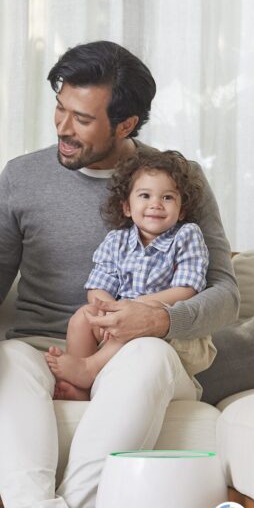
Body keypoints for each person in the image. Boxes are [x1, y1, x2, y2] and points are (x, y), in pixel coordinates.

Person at [0, 40, 239, 508]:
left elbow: (226, 295)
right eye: (60, 109)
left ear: (126, 124)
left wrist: (158, 320)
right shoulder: (22, 177)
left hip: (147, 351)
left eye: (82, 119)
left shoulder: (176, 180)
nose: (62, 128)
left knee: (145, 355)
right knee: (5, 357)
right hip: (48, 346)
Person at [45, 149, 209, 399]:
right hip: (119, 315)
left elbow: (187, 289)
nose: (156, 204)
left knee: (135, 321)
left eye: (167, 197)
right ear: (127, 207)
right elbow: (98, 286)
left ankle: (89, 368)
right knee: (82, 318)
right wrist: (108, 311)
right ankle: (79, 387)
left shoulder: (187, 235)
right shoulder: (116, 241)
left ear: (182, 210)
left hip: (166, 326)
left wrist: (136, 307)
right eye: (145, 195)